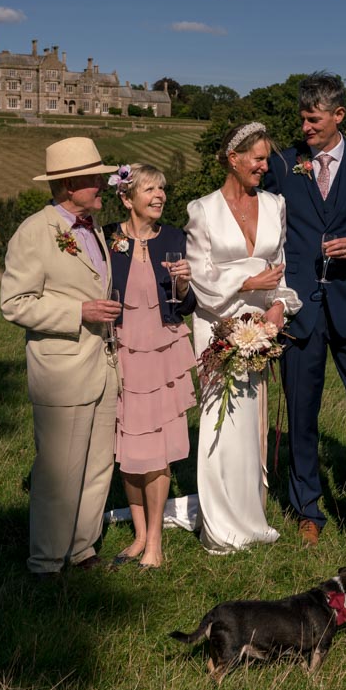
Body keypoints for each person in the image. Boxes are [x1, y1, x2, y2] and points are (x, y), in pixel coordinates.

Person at [264, 72, 346, 560]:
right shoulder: (283, 164)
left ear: (339, 115)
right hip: (299, 311)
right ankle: (307, 512)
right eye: (302, 118)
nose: (305, 127)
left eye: (314, 119)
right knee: (302, 415)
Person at [0, 136, 121, 578]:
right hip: (62, 371)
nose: (102, 186)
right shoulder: (35, 231)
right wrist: (78, 312)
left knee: (98, 466)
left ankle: (82, 549)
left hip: (103, 367)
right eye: (95, 179)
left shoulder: (94, 229)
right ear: (69, 185)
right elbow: (15, 303)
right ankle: (46, 563)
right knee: (58, 474)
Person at [186, 121, 302, 555]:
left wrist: (279, 308)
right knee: (221, 419)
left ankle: (251, 516)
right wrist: (248, 282)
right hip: (217, 322)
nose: (265, 166)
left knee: (250, 421)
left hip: (260, 326)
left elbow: (280, 269)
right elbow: (200, 277)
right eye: (258, 158)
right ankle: (220, 526)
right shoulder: (202, 210)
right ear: (232, 159)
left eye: (266, 158)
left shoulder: (275, 204)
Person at [104, 163, 197, 570]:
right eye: (150, 190)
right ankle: (138, 535)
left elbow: (187, 304)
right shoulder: (108, 237)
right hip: (122, 350)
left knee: (157, 448)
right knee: (128, 445)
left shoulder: (175, 238)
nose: (160, 196)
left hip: (161, 351)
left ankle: (155, 542)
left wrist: (184, 284)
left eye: (162, 189)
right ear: (127, 199)